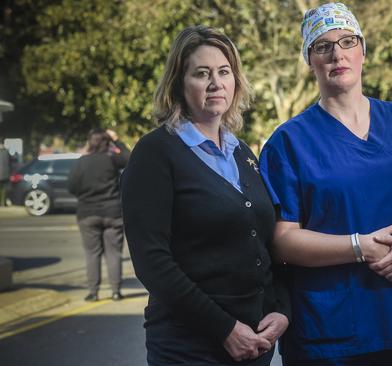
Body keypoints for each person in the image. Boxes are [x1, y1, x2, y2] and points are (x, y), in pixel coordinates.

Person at [259, 3, 392, 365]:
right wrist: (358, 247)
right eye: (322, 46)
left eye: (347, 41)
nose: (337, 54)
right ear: (310, 61)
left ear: (363, 51)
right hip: (332, 336)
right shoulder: (288, 142)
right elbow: (281, 240)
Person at [120, 25, 290, 366]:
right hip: (189, 347)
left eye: (224, 72)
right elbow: (152, 262)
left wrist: (281, 309)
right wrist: (225, 329)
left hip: (255, 344)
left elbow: (267, 243)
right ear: (179, 85)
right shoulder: (155, 152)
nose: (216, 83)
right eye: (202, 73)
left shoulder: (242, 153)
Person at [68, 128, 129, 302]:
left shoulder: (81, 162)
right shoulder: (111, 160)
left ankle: (93, 292)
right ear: (107, 143)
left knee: (92, 253)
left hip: (87, 213)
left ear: (89, 142)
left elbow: (71, 186)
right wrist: (117, 140)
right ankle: (116, 291)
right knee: (114, 253)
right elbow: (129, 158)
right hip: (112, 213)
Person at [0, 139, 11, 206]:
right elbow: (11, 161)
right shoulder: (6, 152)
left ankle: (2, 202)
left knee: (2, 190)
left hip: (4, 174)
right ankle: (3, 203)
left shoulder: (6, 152)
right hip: (5, 174)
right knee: (4, 190)